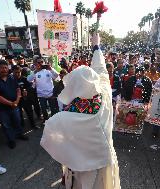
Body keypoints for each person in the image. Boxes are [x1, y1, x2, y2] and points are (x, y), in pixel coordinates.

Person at [40, 33, 121, 189]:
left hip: (79, 166)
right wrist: (96, 47)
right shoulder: (104, 93)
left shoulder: (64, 116)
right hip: (104, 159)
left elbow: (49, 135)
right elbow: (101, 70)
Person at [0, 60, 28, 149]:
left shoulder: (11, 77)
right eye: (2, 68)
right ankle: (11, 140)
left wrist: (17, 101)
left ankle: (19, 134)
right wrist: (11, 103)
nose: (4, 70)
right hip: (2, 109)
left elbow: (18, 89)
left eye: (6, 67)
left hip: (14, 106)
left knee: (17, 121)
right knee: (6, 125)